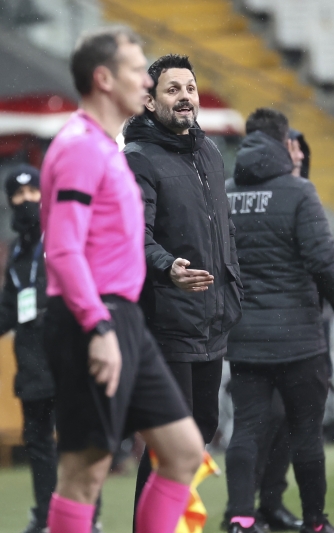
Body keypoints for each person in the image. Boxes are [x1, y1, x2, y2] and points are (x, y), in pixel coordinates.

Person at [40, 26, 204, 533]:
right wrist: (98, 325)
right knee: (85, 474)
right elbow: (61, 249)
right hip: (92, 319)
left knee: (184, 452)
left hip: (125, 318)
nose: (146, 81)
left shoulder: (107, 147)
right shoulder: (79, 149)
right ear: (104, 79)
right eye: (137, 70)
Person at [224, 107, 334, 533]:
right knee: (305, 431)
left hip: (244, 334)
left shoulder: (224, 192)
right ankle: (315, 522)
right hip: (298, 336)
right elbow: (323, 261)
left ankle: (241, 518)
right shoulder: (298, 192)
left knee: (246, 428)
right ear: (283, 142)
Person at [122, 53, 242, 522]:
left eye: (190, 88)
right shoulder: (138, 159)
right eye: (173, 89)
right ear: (150, 102)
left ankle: (169, 522)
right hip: (166, 317)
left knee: (201, 430)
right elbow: (133, 236)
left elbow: (223, 228)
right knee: (173, 441)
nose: (185, 97)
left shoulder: (209, 151)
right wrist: (167, 267)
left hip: (211, 317)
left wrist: (233, 283)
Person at [0, 165, 103, 533]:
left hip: (68, 352)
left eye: (33, 192)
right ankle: (46, 517)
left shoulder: (64, 236)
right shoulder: (16, 251)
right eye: (18, 194)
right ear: (9, 200)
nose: (26, 200)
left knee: (79, 437)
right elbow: (8, 310)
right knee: (39, 442)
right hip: (31, 362)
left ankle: (88, 516)